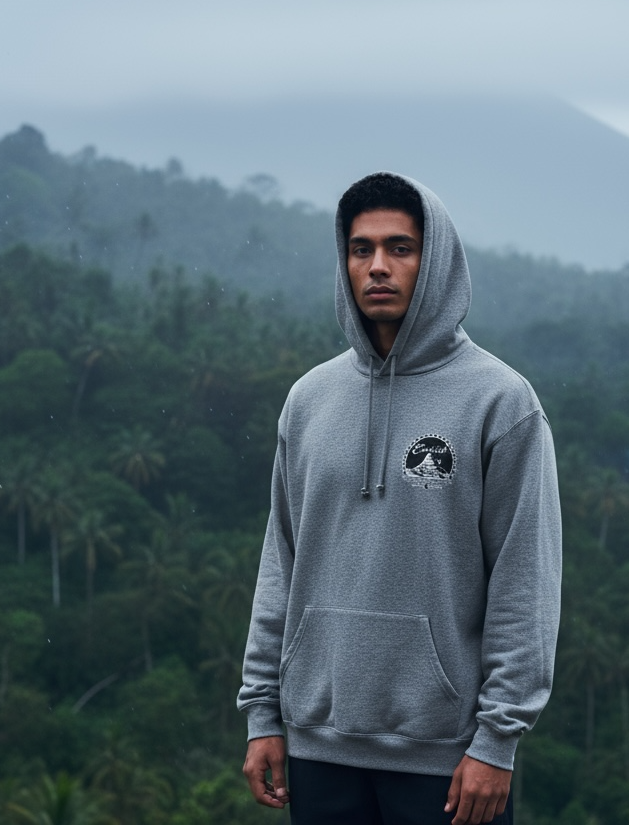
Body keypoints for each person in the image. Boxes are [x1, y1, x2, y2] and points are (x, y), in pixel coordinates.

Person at [238, 172, 562, 825]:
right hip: (319, 749)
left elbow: (524, 580)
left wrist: (497, 741)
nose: (378, 267)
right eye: (362, 250)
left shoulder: (500, 403)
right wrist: (262, 713)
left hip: (446, 762)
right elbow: (282, 561)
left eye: (400, 248)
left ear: (435, 258)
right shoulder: (309, 401)